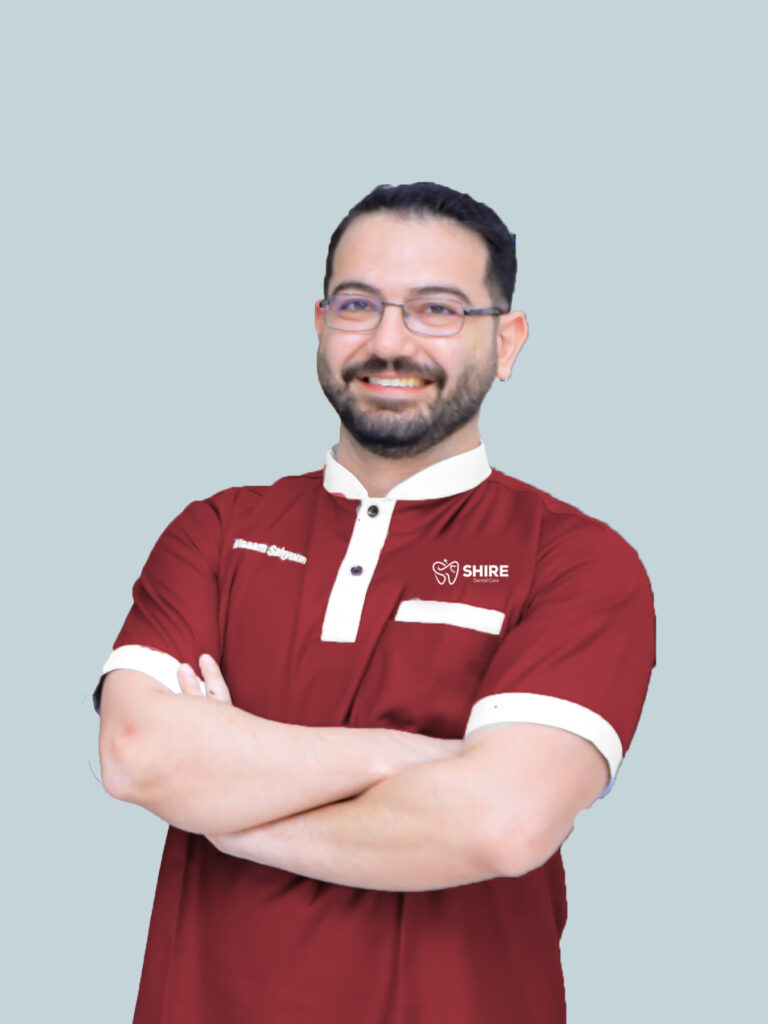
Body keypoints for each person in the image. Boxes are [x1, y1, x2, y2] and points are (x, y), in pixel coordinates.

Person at [93, 181, 656, 1024]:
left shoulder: (575, 561)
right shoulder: (216, 532)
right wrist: (411, 756)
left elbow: (503, 821)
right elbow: (138, 755)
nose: (389, 342)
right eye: (358, 304)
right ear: (320, 325)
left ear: (506, 341)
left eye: (438, 309)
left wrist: (232, 819)